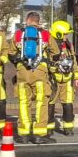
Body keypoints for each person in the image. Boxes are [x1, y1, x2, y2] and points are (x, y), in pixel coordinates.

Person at [10, 11, 60, 144]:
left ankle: (23, 134)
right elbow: (56, 53)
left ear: (27, 20)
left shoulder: (19, 33)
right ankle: (39, 134)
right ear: (38, 21)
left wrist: (19, 62)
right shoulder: (45, 34)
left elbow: (10, 52)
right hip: (39, 72)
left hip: (22, 72)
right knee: (41, 103)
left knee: (23, 103)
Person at [48, 20, 78, 136]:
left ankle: (68, 128)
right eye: (65, 33)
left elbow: (74, 61)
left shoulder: (68, 44)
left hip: (67, 79)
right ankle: (49, 128)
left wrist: (77, 77)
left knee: (68, 103)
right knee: (50, 103)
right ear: (58, 33)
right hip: (52, 79)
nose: (66, 36)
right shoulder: (48, 45)